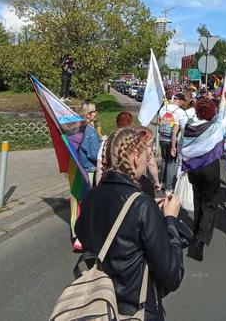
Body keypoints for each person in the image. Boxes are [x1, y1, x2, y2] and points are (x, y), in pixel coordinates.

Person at [75, 128, 185, 321]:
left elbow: (87, 236)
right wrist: (170, 219)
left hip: (99, 305)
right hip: (135, 310)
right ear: (135, 157)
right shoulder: (142, 205)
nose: (148, 161)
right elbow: (172, 275)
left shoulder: (91, 197)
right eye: (147, 155)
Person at [182, 97, 223, 262]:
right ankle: (200, 240)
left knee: (198, 200)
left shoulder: (189, 127)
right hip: (210, 168)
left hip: (193, 168)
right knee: (210, 203)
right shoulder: (215, 126)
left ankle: (195, 233)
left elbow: (182, 146)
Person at [94, 112, 160, 191]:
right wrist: (156, 182)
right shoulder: (137, 140)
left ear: (116, 123)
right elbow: (152, 163)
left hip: (109, 183)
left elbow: (99, 168)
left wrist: (98, 188)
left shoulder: (108, 141)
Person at [71, 102, 102, 251]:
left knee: (80, 202)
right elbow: (94, 153)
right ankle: (82, 238)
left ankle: (78, 234)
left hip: (80, 168)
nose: (96, 114)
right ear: (88, 114)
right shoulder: (89, 131)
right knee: (88, 204)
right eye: (94, 111)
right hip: (89, 170)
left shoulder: (79, 129)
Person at [157, 93, 188, 192]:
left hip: (162, 138)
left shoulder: (163, 108)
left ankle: (161, 182)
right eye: (184, 101)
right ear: (180, 100)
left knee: (163, 160)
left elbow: (159, 121)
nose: (184, 104)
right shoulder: (180, 112)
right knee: (171, 163)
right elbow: (183, 127)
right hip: (173, 140)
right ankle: (168, 187)